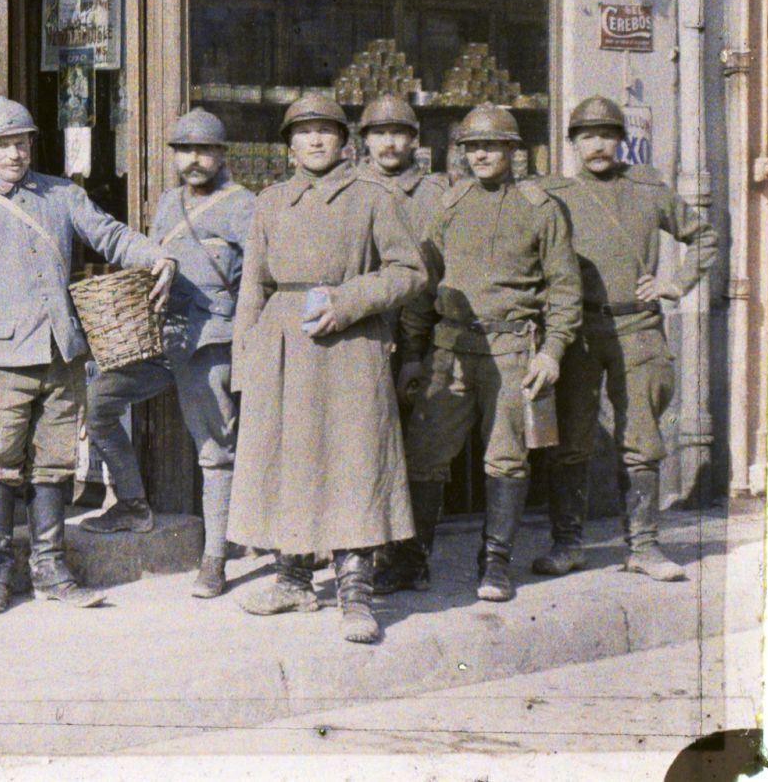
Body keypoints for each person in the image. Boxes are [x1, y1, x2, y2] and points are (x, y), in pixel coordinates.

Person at [0, 98, 174, 615]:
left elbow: (108, 235)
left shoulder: (62, 196)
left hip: (62, 356)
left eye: (22, 142)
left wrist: (155, 256)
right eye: (2, 144)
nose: (14, 153)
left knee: (55, 464)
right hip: (0, 362)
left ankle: (50, 568)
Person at [229, 93, 427, 645]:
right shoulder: (269, 202)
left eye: (326, 131)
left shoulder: (373, 197)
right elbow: (253, 287)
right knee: (285, 457)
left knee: (353, 460)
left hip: (350, 346)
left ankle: (356, 593)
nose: (315, 140)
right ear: (289, 145)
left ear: (345, 142)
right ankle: (292, 579)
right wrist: (244, 359)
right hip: (282, 345)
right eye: (304, 131)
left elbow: (410, 273)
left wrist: (349, 300)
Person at [398, 104, 583, 604]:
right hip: (451, 347)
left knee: (506, 459)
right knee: (424, 455)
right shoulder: (449, 204)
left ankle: (495, 563)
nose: (481, 154)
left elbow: (565, 289)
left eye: (492, 145)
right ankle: (412, 561)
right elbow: (424, 284)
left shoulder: (541, 208)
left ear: (512, 151)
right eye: (472, 146)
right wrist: (414, 352)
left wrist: (552, 352)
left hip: (512, 350)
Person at [536, 96, 717, 582]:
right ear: (572, 143)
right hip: (577, 332)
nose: (598, 145)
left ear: (622, 141)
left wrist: (674, 283)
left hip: (637, 328)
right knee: (570, 441)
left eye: (607, 135)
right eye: (587, 136)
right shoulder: (551, 195)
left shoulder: (648, 189)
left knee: (641, 440)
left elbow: (704, 236)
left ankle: (644, 547)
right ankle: (568, 544)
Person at [83, 107, 254, 600]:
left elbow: (256, 283)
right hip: (162, 338)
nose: (195, 160)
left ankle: (215, 558)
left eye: (205, 150)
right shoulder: (167, 203)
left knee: (214, 451)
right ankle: (133, 503)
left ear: (221, 155)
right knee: (100, 403)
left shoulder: (243, 206)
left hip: (210, 340)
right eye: (185, 151)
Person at [355, 95, 449, 595]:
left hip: (429, 333)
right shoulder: (350, 188)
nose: (389, 142)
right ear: (364, 140)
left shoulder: (438, 191)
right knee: (367, 445)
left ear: (415, 140)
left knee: (422, 450)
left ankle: (414, 556)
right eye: (379, 133)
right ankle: (369, 553)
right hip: (367, 329)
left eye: (399, 133)